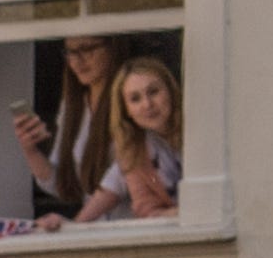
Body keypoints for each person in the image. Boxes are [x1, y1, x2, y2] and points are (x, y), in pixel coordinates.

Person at [48, 57, 184, 230]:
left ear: (170, 91)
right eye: (135, 99)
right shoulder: (136, 151)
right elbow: (114, 190)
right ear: (126, 111)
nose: (147, 104)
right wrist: (71, 227)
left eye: (154, 92)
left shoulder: (199, 132)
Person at [14, 35, 126, 224]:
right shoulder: (74, 107)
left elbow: (120, 177)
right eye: (71, 52)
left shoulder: (131, 101)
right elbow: (61, 184)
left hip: (129, 227)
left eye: (88, 49)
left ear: (111, 48)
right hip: (94, 230)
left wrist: (76, 226)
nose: (78, 60)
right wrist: (30, 149)